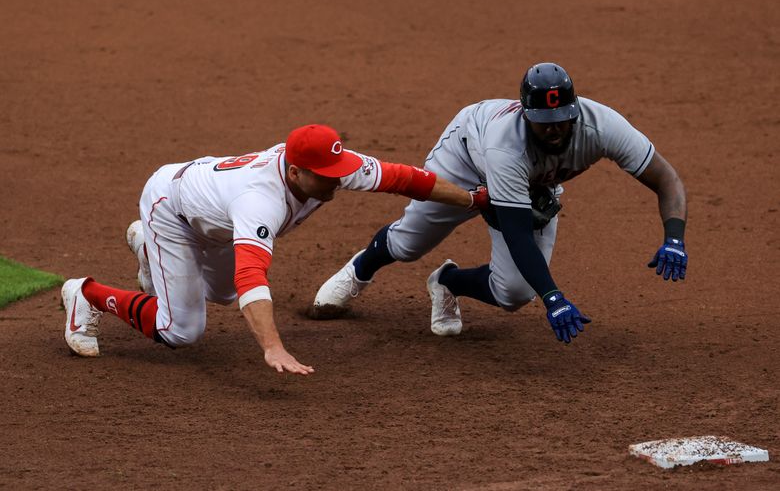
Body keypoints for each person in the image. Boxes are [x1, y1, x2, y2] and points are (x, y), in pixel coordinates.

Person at [61, 124, 489, 374]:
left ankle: (149, 253)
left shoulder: (328, 166)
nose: (336, 181)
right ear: (296, 171)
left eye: (339, 171)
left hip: (211, 211)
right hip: (171, 210)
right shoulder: (259, 202)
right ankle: (86, 294)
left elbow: (408, 179)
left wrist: (473, 199)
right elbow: (251, 276)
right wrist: (272, 346)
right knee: (182, 330)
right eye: (326, 177)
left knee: (224, 293)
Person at [313, 63, 688, 344]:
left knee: (515, 293)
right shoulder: (505, 145)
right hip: (464, 159)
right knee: (410, 243)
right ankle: (359, 270)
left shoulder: (603, 126)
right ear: (526, 113)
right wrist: (554, 297)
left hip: (529, 182)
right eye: (545, 122)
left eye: (562, 119)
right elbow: (515, 231)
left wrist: (674, 237)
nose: (555, 128)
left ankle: (447, 281)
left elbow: (666, 178)